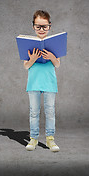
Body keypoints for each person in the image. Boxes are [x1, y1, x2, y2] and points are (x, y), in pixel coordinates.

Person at [24, 10, 60, 152]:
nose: (41, 30)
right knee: (34, 111)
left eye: (44, 27)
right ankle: (33, 139)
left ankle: (50, 139)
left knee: (50, 111)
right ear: (33, 26)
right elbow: (26, 66)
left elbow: (57, 64)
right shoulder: (29, 43)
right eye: (38, 26)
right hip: (33, 83)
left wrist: (51, 56)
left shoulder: (54, 44)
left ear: (49, 26)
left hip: (49, 83)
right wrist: (32, 59)